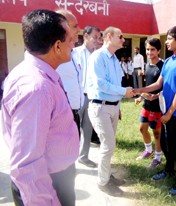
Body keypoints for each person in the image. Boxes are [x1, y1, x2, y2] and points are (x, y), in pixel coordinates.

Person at [1, 9, 79, 205]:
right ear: (57, 46)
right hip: (48, 186)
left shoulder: (40, 74)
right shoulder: (36, 88)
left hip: (55, 178)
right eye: (70, 39)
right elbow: (27, 165)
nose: (74, 43)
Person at [134, 25, 176, 195]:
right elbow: (159, 84)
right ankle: (169, 170)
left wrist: (170, 113)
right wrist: (140, 91)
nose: (167, 42)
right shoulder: (169, 61)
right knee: (166, 144)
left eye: (170, 39)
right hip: (165, 111)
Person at [86, 26, 134, 196]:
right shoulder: (98, 57)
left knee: (109, 145)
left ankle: (106, 176)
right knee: (108, 145)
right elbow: (101, 85)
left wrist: (118, 106)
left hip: (112, 106)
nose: (123, 40)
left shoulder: (114, 58)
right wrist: (123, 92)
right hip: (100, 106)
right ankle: (102, 182)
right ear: (109, 36)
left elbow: (116, 84)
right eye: (120, 36)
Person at [73, 25, 101, 168]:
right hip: (76, 97)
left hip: (91, 97)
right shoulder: (74, 53)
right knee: (71, 128)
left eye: (98, 37)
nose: (97, 40)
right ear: (86, 36)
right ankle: (68, 159)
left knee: (87, 128)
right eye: (94, 37)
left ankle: (83, 157)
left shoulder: (98, 55)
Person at [135, 37, 164, 169]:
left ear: (158, 50)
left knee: (157, 133)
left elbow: (166, 87)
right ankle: (148, 150)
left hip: (157, 106)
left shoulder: (163, 66)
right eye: (147, 49)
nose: (149, 52)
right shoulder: (147, 65)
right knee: (142, 128)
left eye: (152, 49)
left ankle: (158, 157)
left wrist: (156, 96)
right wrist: (141, 96)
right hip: (146, 104)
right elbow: (147, 85)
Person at [56, 9, 82, 134]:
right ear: (62, 27)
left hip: (75, 113)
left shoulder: (74, 53)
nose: (79, 29)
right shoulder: (52, 54)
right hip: (62, 116)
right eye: (75, 26)